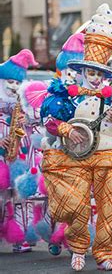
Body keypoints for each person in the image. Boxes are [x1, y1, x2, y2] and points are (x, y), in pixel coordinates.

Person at [40, 4, 112, 271]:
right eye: (90, 73)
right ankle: (78, 247)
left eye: (99, 73)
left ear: (106, 75)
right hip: (73, 155)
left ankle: (105, 252)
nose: (94, 78)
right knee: (73, 203)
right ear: (82, 72)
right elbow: (51, 122)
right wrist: (68, 131)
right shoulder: (68, 94)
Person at [0, 49, 39, 253]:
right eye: (9, 82)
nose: (13, 87)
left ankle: (22, 235)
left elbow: (39, 122)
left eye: (17, 83)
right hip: (2, 155)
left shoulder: (24, 103)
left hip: (21, 153)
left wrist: (29, 119)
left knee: (22, 196)